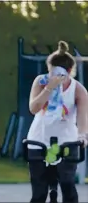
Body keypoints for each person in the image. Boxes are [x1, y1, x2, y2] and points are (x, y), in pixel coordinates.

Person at [27, 40, 88, 203]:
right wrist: (49, 88)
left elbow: (83, 118)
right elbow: (33, 108)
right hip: (39, 138)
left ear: (69, 71)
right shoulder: (41, 82)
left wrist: (82, 136)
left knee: (68, 184)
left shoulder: (78, 90)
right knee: (39, 191)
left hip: (65, 140)